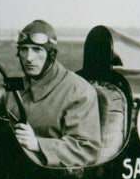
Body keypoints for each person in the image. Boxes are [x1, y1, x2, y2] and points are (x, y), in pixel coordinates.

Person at [7, 20, 101, 167]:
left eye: (37, 50)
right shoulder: (15, 88)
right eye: (24, 49)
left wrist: (37, 144)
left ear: (51, 54)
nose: (29, 58)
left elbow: (85, 148)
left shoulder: (78, 91)